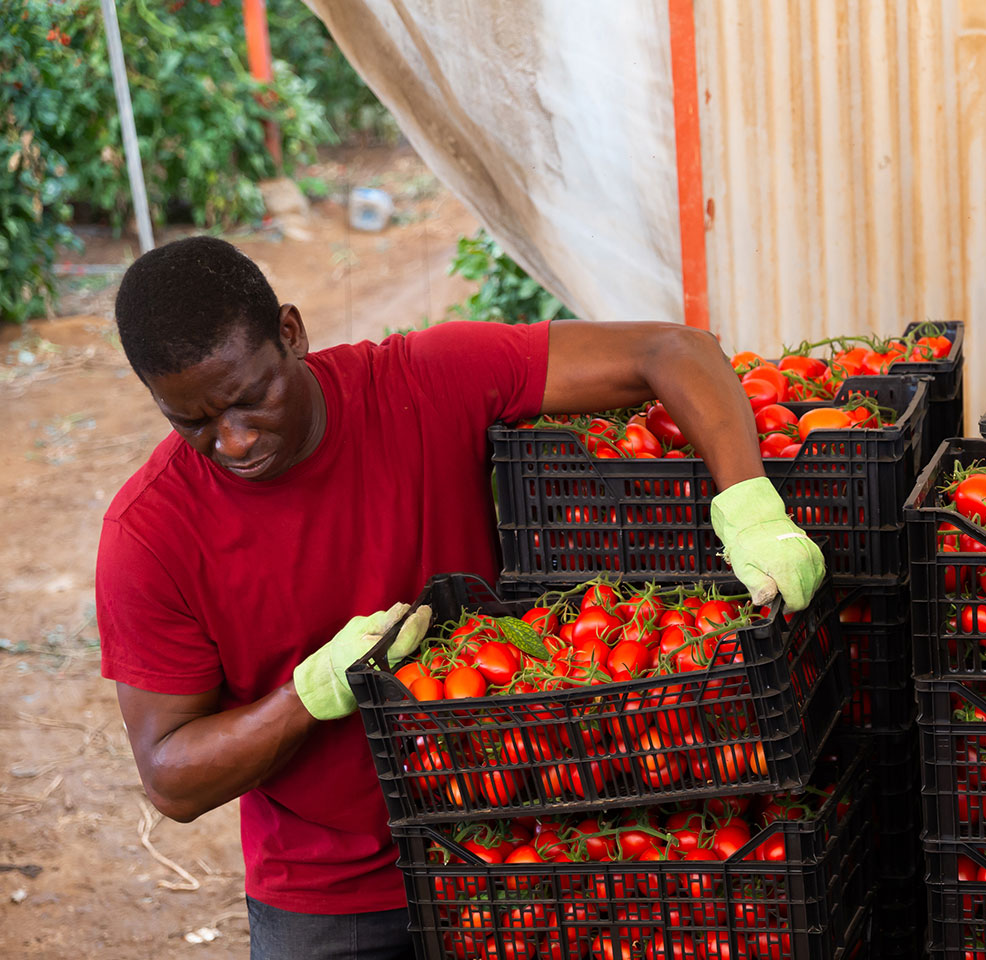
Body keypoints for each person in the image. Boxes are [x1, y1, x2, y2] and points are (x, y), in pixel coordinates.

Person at [93, 236, 825, 960]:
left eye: (251, 398)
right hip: (329, 897)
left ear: (291, 333)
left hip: (509, 846)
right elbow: (170, 778)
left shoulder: (418, 383)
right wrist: (308, 696)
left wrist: (750, 508)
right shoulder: (151, 534)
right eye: (192, 421)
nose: (234, 440)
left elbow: (672, 350)